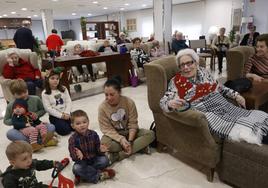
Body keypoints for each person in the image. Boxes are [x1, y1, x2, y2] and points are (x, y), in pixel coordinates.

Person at [160, 49, 268, 145]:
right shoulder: (176, 81)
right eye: (182, 65)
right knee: (249, 130)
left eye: (189, 63)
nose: (186, 67)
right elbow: (163, 101)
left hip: (224, 105)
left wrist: (236, 95)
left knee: (259, 117)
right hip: (208, 111)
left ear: (196, 63)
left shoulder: (204, 72)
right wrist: (169, 104)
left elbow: (219, 87)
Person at [98, 77, 155, 164]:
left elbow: (133, 124)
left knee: (150, 134)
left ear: (119, 92)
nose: (108, 98)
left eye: (112, 94)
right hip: (115, 136)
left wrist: (130, 141)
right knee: (104, 144)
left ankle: (117, 156)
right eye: (106, 95)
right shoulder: (102, 108)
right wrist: (121, 140)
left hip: (130, 133)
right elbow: (106, 129)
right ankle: (140, 147)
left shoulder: (129, 102)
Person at [68, 110, 115, 185]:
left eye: (84, 122)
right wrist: (77, 155)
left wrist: (101, 150)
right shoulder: (72, 139)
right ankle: (99, 175)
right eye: (78, 123)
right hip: (82, 162)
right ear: (73, 126)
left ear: (88, 122)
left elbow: (98, 150)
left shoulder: (93, 134)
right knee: (77, 168)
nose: (82, 125)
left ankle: (83, 175)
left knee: (105, 160)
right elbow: (73, 157)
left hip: (94, 159)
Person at [4, 79, 56, 145]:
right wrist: (16, 119)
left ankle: (35, 141)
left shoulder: (36, 99)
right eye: (19, 94)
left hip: (36, 125)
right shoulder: (11, 105)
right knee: (10, 133)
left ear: (27, 90)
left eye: (25, 92)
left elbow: (43, 109)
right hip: (21, 129)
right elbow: (6, 121)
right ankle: (39, 141)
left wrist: (36, 114)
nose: (23, 95)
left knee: (51, 127)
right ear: (13, 94)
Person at [42, 67, 73, 136]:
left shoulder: (63, 88)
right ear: (47, 79)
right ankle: (61, 125)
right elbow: (48, 109)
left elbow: (68, 101)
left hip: (66, 113)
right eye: (52, 78)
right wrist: (61, 116)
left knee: (77, 123)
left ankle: (68, 123)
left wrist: (67, 113)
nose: (55, 80)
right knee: (65, 130)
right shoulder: (45, 93)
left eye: (57, 79)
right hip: (55, 116)